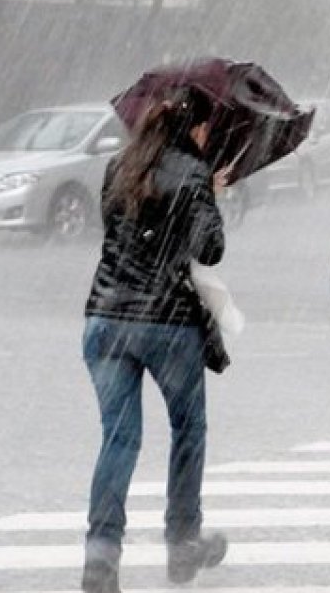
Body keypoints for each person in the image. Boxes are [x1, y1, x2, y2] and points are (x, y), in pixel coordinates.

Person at [81, 86, 230, 593]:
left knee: (119, 438)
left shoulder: (118, 167)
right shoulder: (192, 173)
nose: (210, 136)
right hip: (166, 323)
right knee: (188, 429)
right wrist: (209, 191)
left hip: (104, 318)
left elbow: (119, 232)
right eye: (209, 128)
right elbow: (210, 249)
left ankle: (101, 555)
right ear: (195, 127)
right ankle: (183, 541)